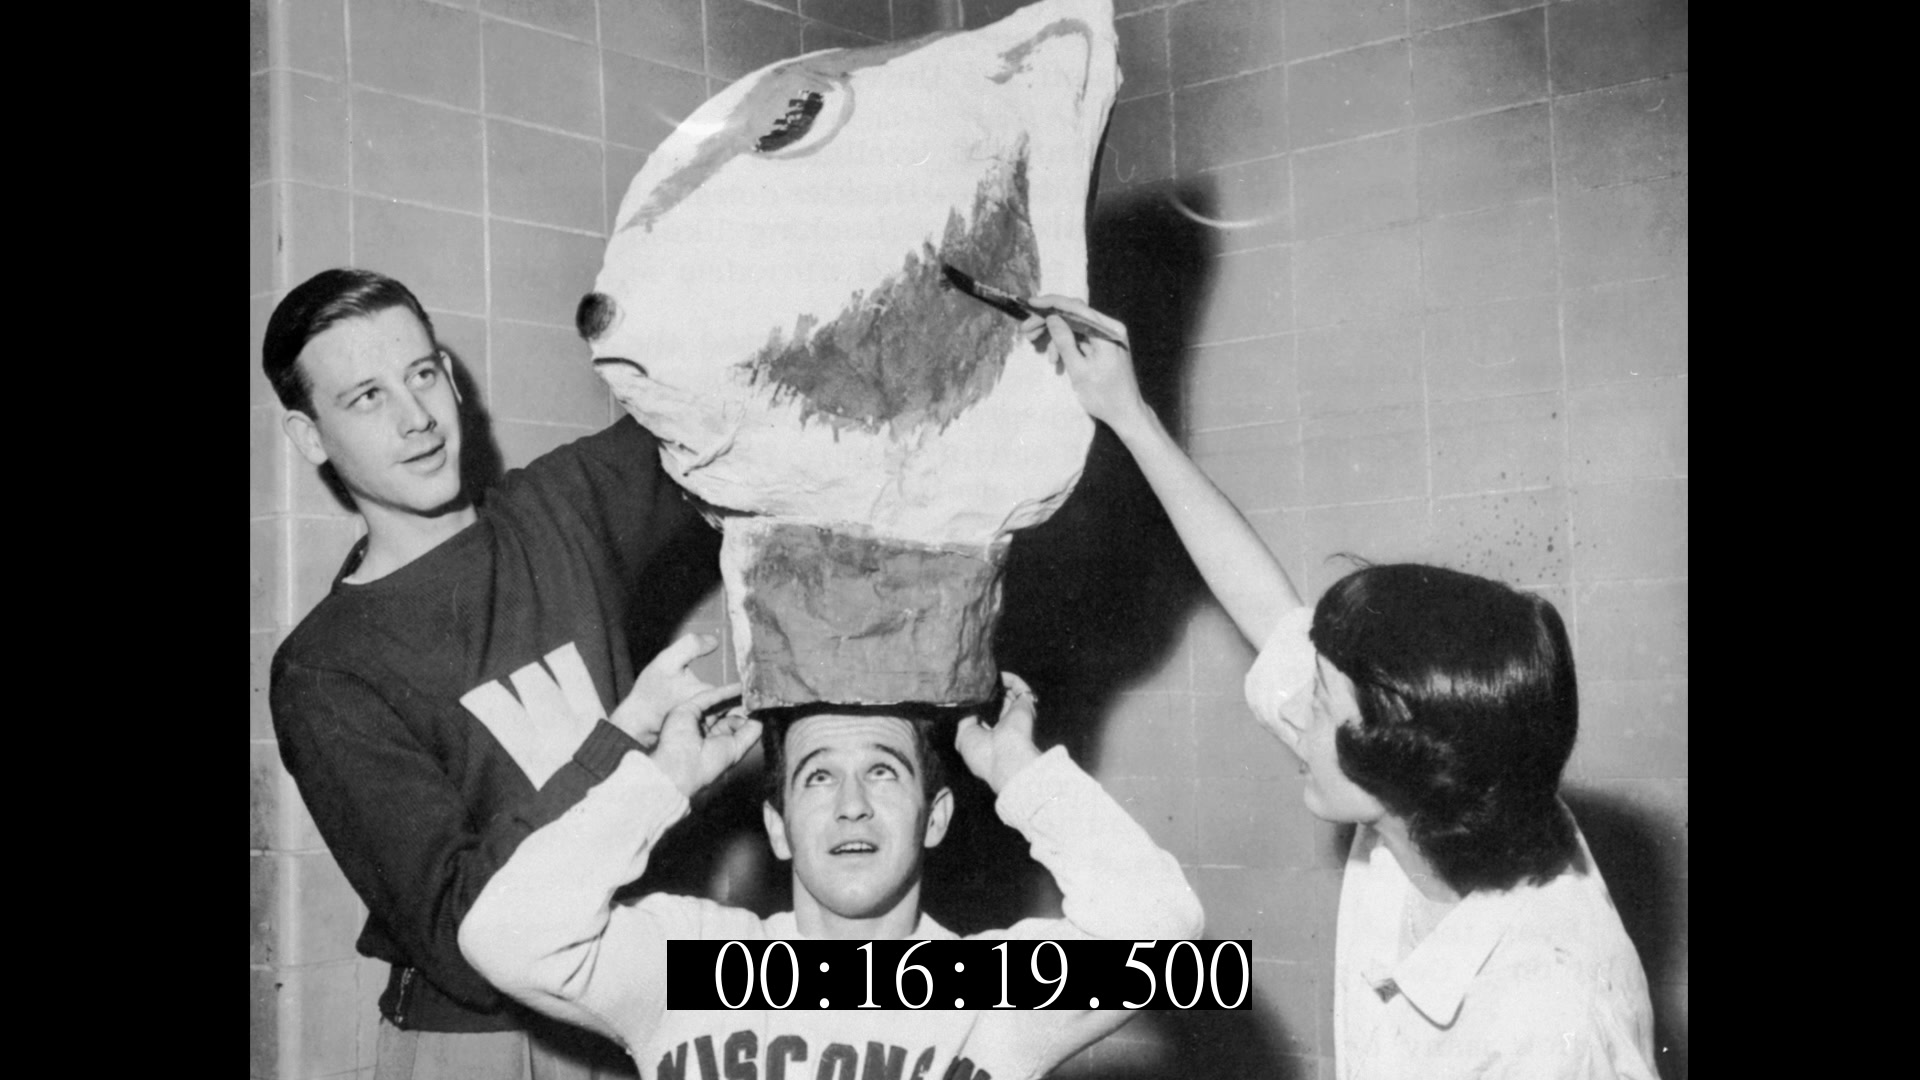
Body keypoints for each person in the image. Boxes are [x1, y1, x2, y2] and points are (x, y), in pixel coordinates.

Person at [1021, 297, 1659, 1079]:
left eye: (1320, 702)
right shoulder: (1454, 786)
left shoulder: (1547, 1016)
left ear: (1399, 760)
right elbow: (1268, 612)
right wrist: (1129, 413)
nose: (1295, 706)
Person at [265, 268, 725, 1079]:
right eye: (367, 397)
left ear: (449, 374)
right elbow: (459, 935)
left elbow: (718, 403)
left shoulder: (560, 509)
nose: (416, 418)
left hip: (636, 999)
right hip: (483, 1041)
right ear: (310, 437)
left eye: (421, 374)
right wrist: (624, 752)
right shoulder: (327, 669)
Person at [457, 672, 1205, 1080]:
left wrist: (1018, 770)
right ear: (778, 827)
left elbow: (1165, 930)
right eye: (818, 777)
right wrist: (664, 778)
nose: (851, 805)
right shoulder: (694, 960)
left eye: (883, 772)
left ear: (935, 818)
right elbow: (502, 936)